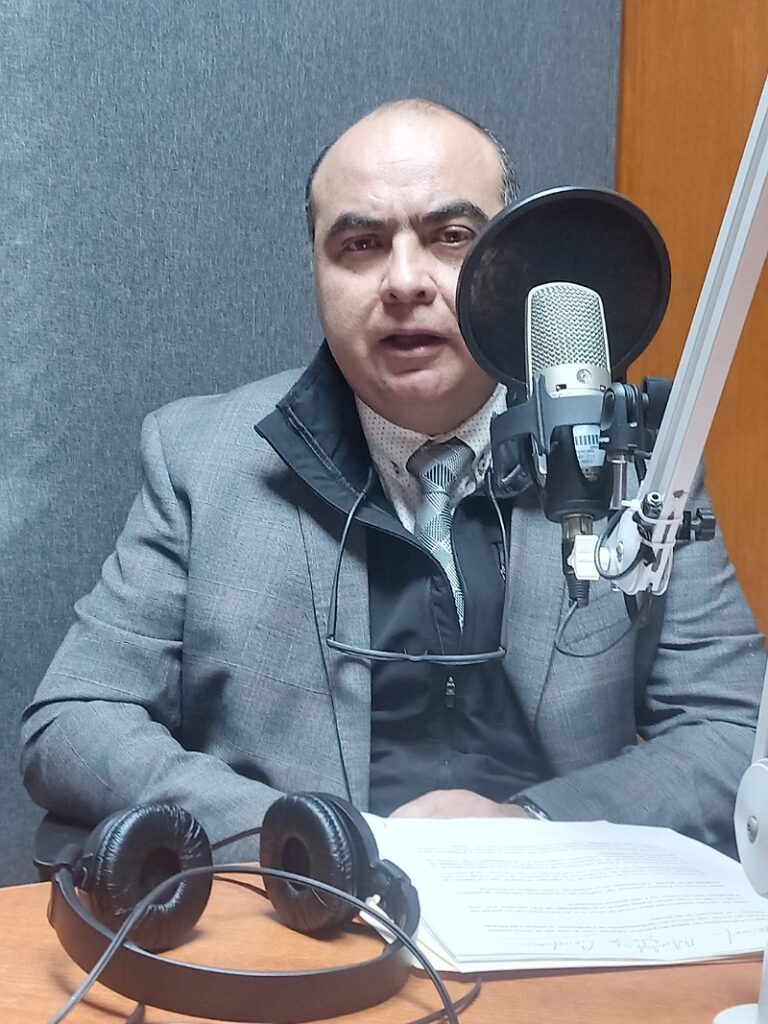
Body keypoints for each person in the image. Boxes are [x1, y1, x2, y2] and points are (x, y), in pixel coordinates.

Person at [21, 99, 766, 859]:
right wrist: (310, 840)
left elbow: (736, 728)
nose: (405, 281)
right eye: (361, 244)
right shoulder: (198, 460)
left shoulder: (640, 464)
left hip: (550, 908)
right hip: (306, 905)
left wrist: (536, 827)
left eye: (452, 237)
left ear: (515, 262)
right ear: (317, 272)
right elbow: (74, 724)